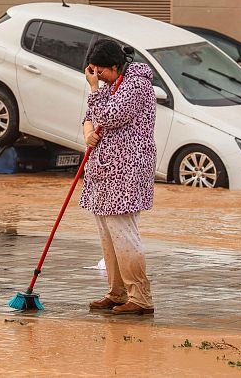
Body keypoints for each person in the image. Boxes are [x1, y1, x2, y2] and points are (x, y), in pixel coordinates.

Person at [80, 39, 157, 315]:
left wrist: (93, 88)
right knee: (107, 234)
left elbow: (110, 116)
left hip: (127, 170)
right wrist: (87, 131)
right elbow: (90, 115)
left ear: (115, 66)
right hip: (103, 170)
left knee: (124, 233)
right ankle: (117, 292)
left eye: (100, 72)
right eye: (93, 73)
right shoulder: (113, 85)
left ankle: (140, 297)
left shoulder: (136, 85)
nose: (97, 77)